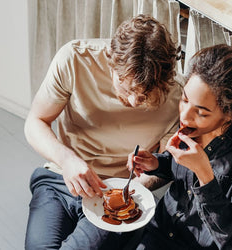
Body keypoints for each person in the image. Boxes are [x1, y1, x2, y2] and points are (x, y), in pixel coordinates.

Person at [24, 15, 182, 249]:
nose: (132, 101)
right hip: (60, 177)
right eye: (125, 86)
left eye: (144, 95)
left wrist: (132, 189)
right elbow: (35, 121)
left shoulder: (177, 96)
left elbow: (167, 166)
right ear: (111, 62)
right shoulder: (75, 59)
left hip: (121, 192)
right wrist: (67, 159)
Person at [128, 44, 232, 249]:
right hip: (156, 231)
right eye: (184, 100)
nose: (184, 116)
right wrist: (156, 162)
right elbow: (179, 171)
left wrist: (204, 174)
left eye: (201, 112)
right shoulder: (190, 127)